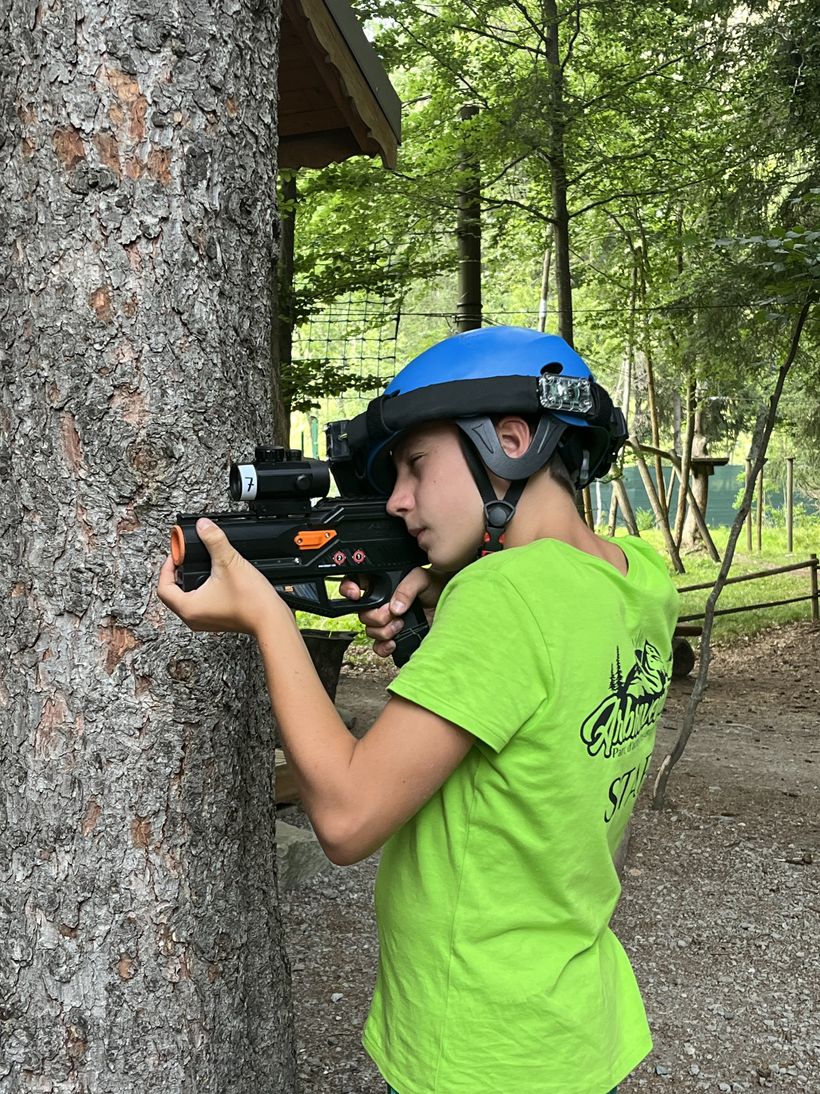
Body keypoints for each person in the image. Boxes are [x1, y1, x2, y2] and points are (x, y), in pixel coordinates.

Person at [158, 325, 679, 1094]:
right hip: (574, 1021)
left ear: (509, 441)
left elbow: (344, 816)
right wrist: (445, 618)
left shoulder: (505, 600)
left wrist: (269, 619)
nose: (397, 501)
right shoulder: (640, 579)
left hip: (477, 1043)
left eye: (415, 465)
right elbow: (542, 703)